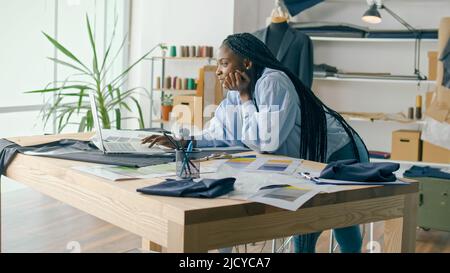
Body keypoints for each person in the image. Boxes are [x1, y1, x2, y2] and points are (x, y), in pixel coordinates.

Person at [142, 33, 369, 253]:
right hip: (311, 158)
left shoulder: (272, 82)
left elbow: (266, 142)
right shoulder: (236, 92)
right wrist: (182, 140)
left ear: (247, 62)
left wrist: (245, 99)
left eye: (223, 63)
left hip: (339, 152)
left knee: (343, 224)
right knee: (305, 230)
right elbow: (223, 133)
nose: (218, 71)